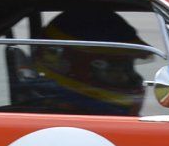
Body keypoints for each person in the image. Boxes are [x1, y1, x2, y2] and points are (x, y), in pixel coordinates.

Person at [22, 7, 154, 116]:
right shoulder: (52, 124)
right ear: (71, 67)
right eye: (114, 69)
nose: (125, 77)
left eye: (127, 68)